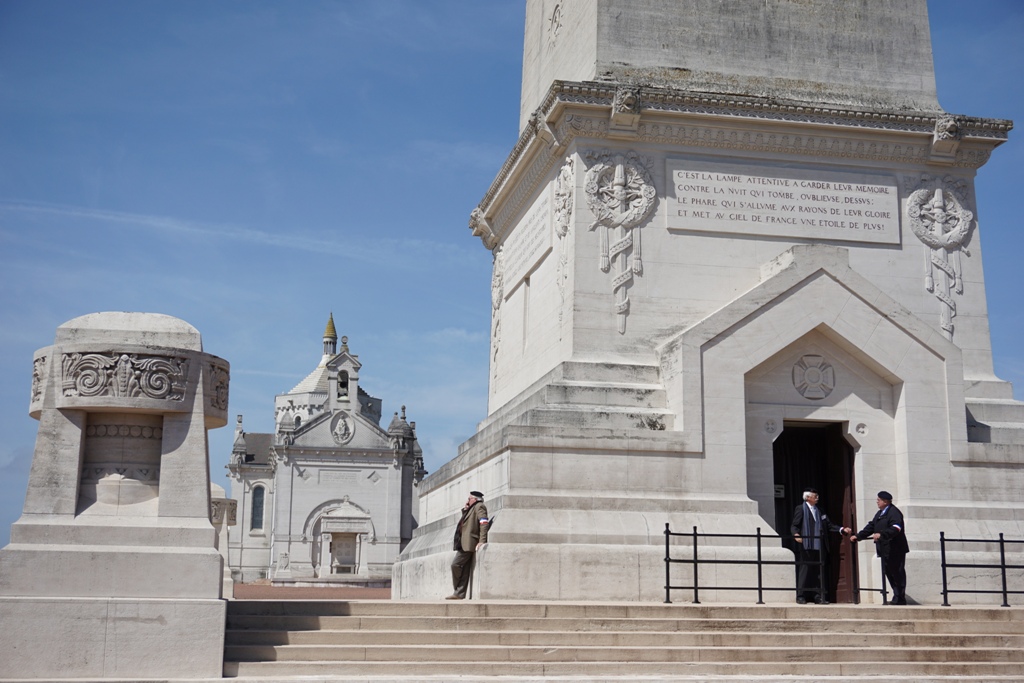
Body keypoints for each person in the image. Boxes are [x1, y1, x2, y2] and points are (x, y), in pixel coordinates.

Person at [851, 490, 910, 605]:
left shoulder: (894, 512)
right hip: (885, 549)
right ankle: (897, 595)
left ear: (886, 501)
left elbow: (896, 528)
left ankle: (900, 597)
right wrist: (858, 536)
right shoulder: (880, 514)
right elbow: (871, 526)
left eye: (879, 500)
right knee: (889, 572)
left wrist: (882, 534)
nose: (877, 502)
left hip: (895, 549)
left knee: (897, 572)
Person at [790, 488, 846, 604]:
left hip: (820, 545)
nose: (817, 498)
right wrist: (796, 534)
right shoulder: (800, 509)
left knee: (819, 570)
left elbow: (828, 525)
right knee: (805, 569)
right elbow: (795, 525)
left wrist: (841, 529)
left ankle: (818, 596)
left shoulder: (820, 510)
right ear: (808, 497)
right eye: (815, 496)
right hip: (807, 544)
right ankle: (801, 595)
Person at [447, 490, 489, 600]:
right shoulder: (471, 508)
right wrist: (465, 510)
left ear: (475, 499)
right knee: (464, 570)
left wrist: (482, 540)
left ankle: (457, 589)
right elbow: (466, 522)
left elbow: (483, 522)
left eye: (469, 499)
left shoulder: (479, 507)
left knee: (455, 565)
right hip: (464, 542)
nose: (467, 500)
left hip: (469, 542)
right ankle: (459, 594)